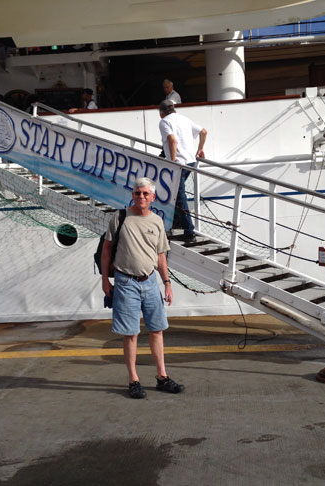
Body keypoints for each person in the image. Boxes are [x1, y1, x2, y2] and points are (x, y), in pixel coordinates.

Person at [101, 177, 185, 399]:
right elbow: (107, 250)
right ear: (133, 195)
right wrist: (104, 280)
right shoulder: (120, 218)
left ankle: (162, 377)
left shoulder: (157, 222)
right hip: (125, 282)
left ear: (153, 197)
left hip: (149, 282)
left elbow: (160, 256)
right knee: (130, 334)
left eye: (146, 193)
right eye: (138, 193)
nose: (141, 197)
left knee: (157, 330)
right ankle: (133, 380)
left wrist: (167, 283)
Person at [158, 99, 207, 241]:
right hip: (190, 161)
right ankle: (173, 223)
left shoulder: (164, 122)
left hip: (178, 163)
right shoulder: (184, 119)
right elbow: (203, 132)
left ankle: (189, 232)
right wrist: (200, 149)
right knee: (174, 193)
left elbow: (172, 140)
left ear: (161, 113)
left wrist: (173, 161)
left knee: (179, 196)